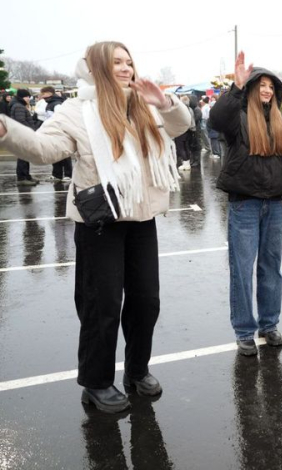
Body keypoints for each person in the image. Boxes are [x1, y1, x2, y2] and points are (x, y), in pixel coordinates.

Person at [0, 41, 192, 413]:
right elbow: (43, 149)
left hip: (142, 219)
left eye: (128, 62)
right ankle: (96, 381)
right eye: (116, 62)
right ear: (96, 68)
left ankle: (137, 370)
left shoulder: (142, 104)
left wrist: (165, 103)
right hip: (100, 223)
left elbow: (180, 127)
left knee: (145, 302)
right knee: (101, 305)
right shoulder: (76, 110)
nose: (125, 68)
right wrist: (7, 131)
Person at [209, 52, 282, 356]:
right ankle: (244, 330)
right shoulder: (238, 117)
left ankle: (269, 325)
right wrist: (235, 87)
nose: (267, 90)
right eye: (261, 84)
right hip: (244, 205)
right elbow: (216, 120)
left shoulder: (281, 120)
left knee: (271, 268)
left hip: (272, 205)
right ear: (252, 88)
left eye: (271, 85)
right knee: (242, 269)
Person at [35, 85, 73, 181]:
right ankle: (57, 174)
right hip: (52, 132)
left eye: (44, 93)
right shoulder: (49, 103)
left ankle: (68, 174)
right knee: (55, 154)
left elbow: (61, 118)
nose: (42, 96)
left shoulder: (57, 103)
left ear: (49, 93)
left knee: (64, 154)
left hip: (60, 132)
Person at [8, 89, 39, 185]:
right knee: (23, 156)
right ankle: (22, 178)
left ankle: (26, 176)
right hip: (22, 134)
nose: (28, 99)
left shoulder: (19, 105)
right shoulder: (18, 106)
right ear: (22, 97)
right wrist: (30, 130)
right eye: (27, 97)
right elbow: (21, 121)